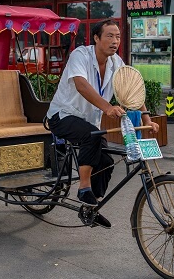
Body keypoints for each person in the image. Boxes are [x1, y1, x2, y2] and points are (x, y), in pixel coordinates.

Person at [46, 19, 159, 228]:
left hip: (89, 121)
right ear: (96, 38)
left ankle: (91, 206)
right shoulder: (81, 55)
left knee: (106, 161)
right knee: (91, 136)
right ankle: (84, 187)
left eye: (117, 37)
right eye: (109, 36)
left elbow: (132, 89)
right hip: (62, 115)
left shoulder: (116, 62)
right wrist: (108, 107)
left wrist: (147, 119)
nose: (115, 41)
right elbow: (81, 85)